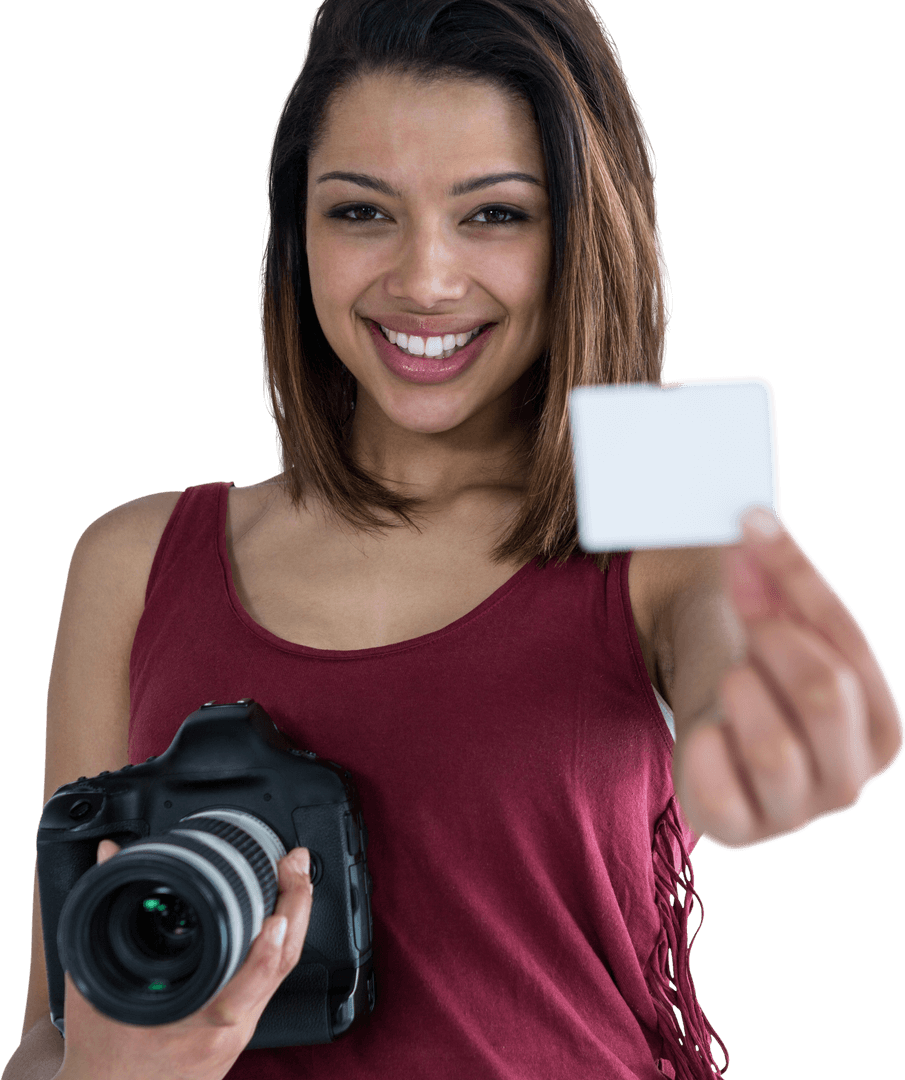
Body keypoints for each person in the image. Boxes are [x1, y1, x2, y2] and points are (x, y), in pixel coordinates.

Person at [4, 1, 902, 1079]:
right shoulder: (135, 562)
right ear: (296, 233)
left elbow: (738, 682)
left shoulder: (659, 521)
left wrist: (759, 738)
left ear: (580, 233)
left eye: (494, 215)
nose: (423, 279)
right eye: (360, 212)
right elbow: (51, 1035)